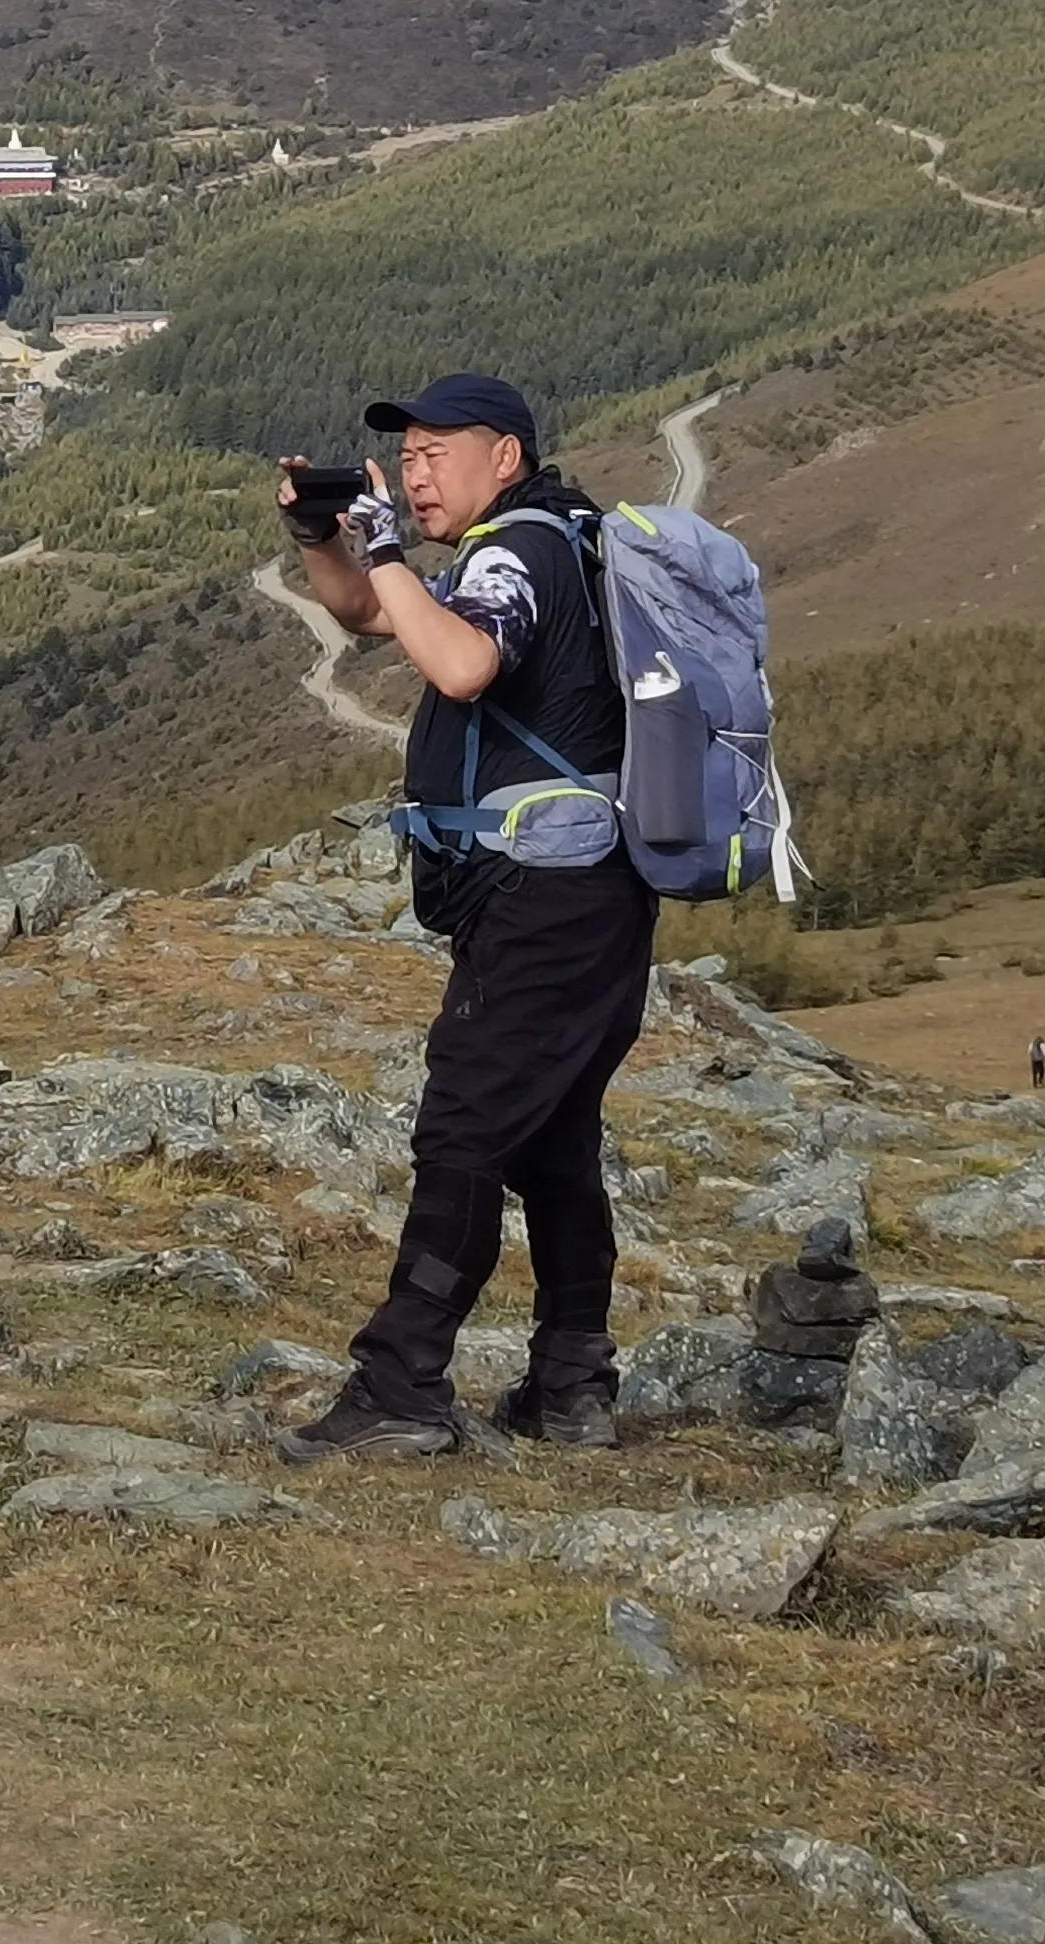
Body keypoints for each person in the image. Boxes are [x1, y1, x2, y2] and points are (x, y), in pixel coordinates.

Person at [267, 374, 648, 1461]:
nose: (420, 468)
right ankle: (572, 1385)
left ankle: (402, 1386)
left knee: (465, 1131)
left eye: (442, 451)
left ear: (506, 458)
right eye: (410, 453)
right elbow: (369, 616)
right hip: (590, 894)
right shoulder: (558, 540)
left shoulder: (512, 553)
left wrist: (385, 548)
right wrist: (322, 543)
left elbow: (464, 662)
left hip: (543, 900)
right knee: (554, 1142)